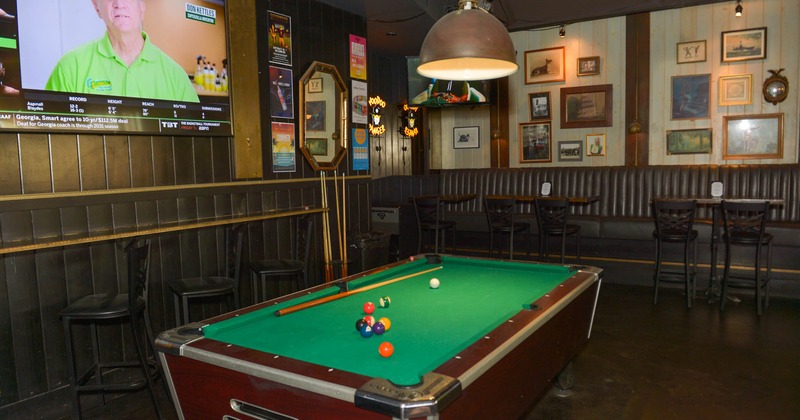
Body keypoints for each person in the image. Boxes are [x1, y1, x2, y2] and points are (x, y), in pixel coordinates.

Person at [46, 0, 199, 102]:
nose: (119, 3)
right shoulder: (69, 69)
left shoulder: (176, 77)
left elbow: (195, 138)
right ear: (96, 6)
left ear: (142, 7)